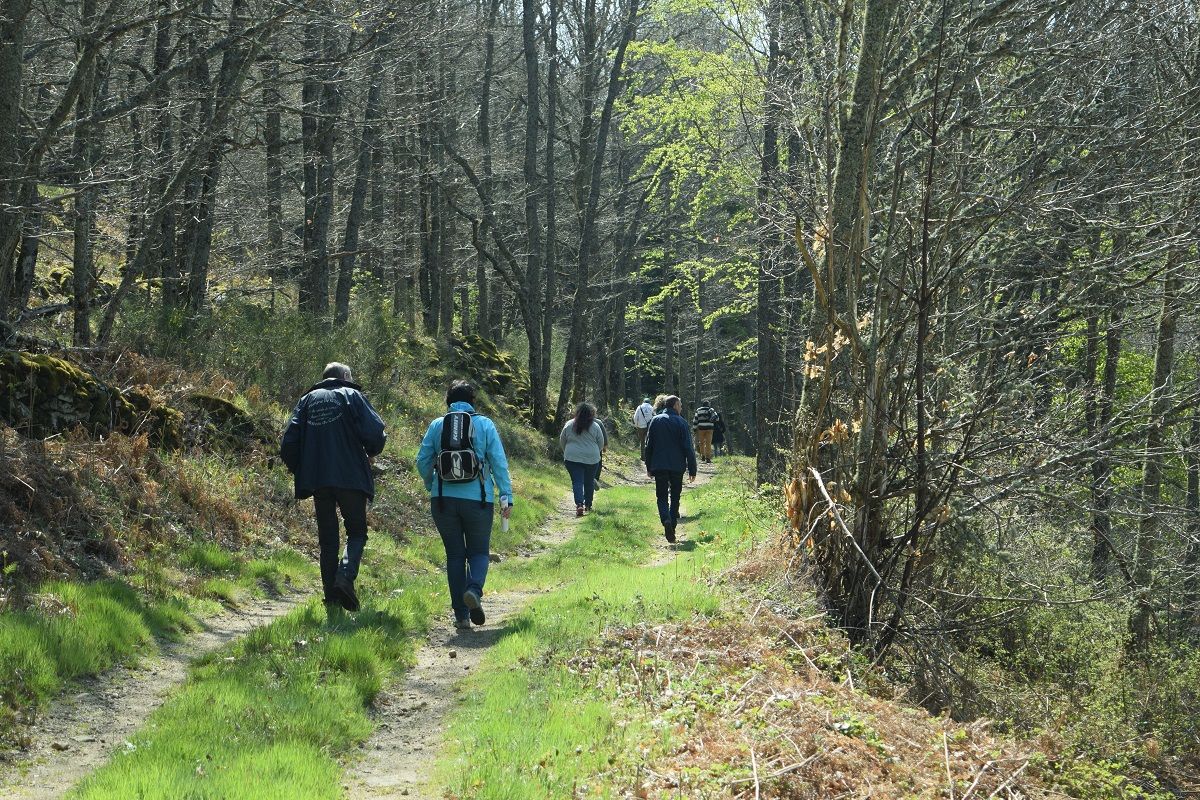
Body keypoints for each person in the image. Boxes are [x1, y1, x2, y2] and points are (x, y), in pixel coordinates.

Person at [281, 362, 387, 613]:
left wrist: (304, 470)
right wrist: (370, 452)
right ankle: (345, 578)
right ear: (346, 376)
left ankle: (332, 600)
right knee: (357, 532)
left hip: (319, 480)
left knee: (328, 542)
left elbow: (288, 444)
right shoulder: (352, 395)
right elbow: (376, 433)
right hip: (350, 477)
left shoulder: (306, 401)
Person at [417, 379, 513, 630]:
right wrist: (506, 496)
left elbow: (422, 461)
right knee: (479, 552)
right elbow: (499, 463)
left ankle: (460, 616)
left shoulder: (437, 425)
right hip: (478, 500)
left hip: (443, 501)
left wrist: (432, 486)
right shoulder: (484, 424)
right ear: (472, 402)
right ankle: (473, 590)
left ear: (448, 402)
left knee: (455, 556)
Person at [644, 395, 697, 543]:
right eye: (680, 405)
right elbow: (688, 448)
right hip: (677, 466)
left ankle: (665, 519)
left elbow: (648, 446)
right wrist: (692, 469)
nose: (681, 408)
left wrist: (649, 467)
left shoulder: (655, 421)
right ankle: (672, 526)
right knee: (675, 496)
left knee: (661, 496)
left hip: (660, 465)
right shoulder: (682, 422)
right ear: (674, 406)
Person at [560, 402, 606, 516]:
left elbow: (562, 440)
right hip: (592, 458)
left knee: (577, 481)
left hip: (572, 458)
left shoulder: (569, 424)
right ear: (591, 414)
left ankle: (579, 504)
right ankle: (588, 505)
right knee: (589, 481)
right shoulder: (595, 426)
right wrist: (595, 452)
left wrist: (567, 451)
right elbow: (601, 442)